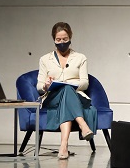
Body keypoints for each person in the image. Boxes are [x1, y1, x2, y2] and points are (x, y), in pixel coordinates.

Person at [36, 22, 97, 160]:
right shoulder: (45, 59)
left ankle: (63, 146)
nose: (62, 42)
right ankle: (83, 125)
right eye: (58, 40)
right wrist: (46, 85)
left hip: (74, 96)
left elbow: (85, 83)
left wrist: (68, 84)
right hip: (52, 97)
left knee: (67, 90)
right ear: (54, 39)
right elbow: (39, 86)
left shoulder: (81, 58)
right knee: (65, 91)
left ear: (70, 38)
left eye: (65, 39)